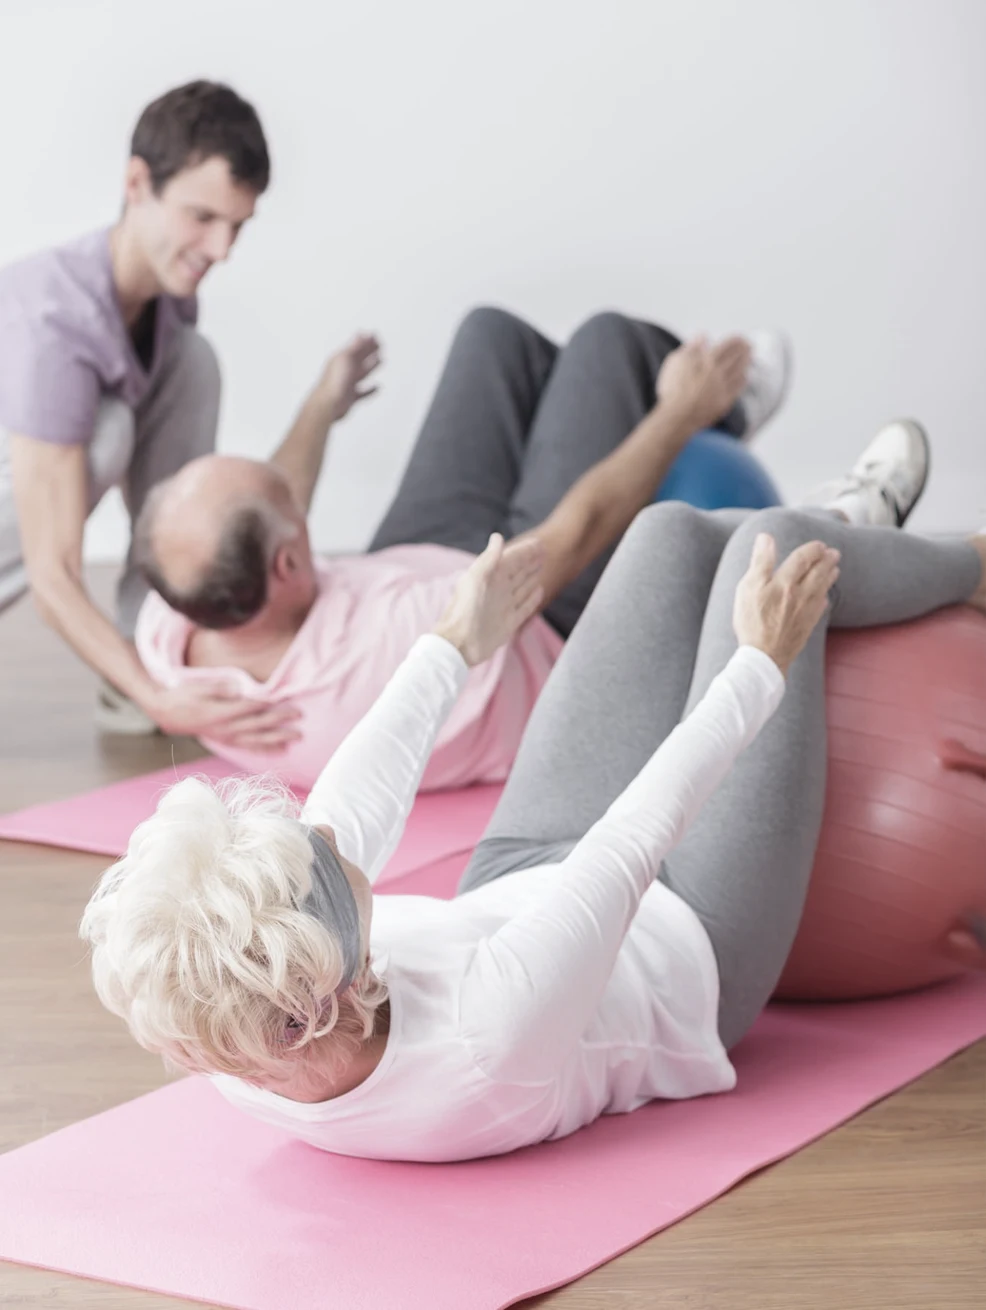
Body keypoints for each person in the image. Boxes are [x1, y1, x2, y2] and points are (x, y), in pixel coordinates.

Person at [79, 427, 984, 1163]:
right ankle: (965, 557)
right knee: (767, 550)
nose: (328, 833)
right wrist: (758, 667)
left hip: (512, 888)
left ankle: (856, 523)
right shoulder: (486, 1036)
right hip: (690, 939)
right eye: (325, 868)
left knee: (668, 532)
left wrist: (451, 642)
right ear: (332, 975)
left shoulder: (236, 1025)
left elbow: (345, 815)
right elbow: (632, 842)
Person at [133, 306, 797, 784]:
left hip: (412, 569)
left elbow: (268, 509)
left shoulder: (173, 625)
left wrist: (322, 403)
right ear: (285, 566)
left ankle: (582, 399)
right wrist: (683, 410)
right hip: (536, 623)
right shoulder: (384, 651)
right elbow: (572, 538)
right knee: (608, 342)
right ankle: (735, 406)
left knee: (492, 336)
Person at [0, 79, 354, 743]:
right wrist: (162, 701)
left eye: (237, 226)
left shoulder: (167, 301)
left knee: (194, 360)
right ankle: (145, 680)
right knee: (107, 431)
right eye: (202, 218)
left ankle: (151, 643)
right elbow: (54, 577)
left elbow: (219, 507)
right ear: (137, 184)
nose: (221, 249)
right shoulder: (52, 326)